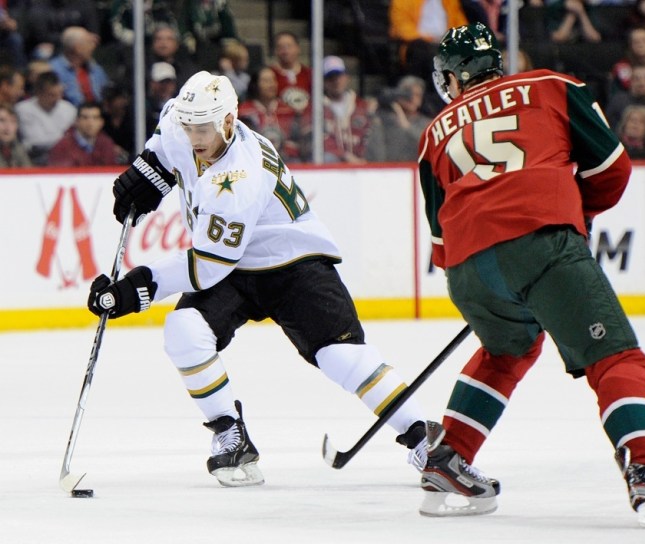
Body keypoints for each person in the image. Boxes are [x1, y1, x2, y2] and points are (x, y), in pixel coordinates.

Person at [416, 22, 645, 526]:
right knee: (615, 353)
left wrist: (493, 274)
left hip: (468, 270)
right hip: (542, 243)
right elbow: (611, 169)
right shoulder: (551, 87)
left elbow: (441, 247)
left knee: (508, 347)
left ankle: (449, 456)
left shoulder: (434, 134)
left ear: (455, 77)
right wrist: (568, 214)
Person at [85, 71, 428, 487]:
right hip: (235, 268)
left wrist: (136, 288)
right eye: (189, 126)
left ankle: (425, 439)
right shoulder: (181, 119)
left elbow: (208, 267)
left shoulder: (238, 179)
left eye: (204, 129)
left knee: (341, 358)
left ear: (229, 121)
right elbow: (163, 148)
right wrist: (147, 175)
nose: (194, 137)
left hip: (293, 264)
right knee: (184, 330)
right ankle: (230, 432)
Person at [14, 71, 77, 165]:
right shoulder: (22, 109)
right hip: (34, 160)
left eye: (60, 94)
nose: (57, 99)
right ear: (39, 93)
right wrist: (63, 141)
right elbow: (34, 142)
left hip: (66, 160)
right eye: (52, 95)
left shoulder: (69, 109)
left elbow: (75, 140)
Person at [320, 55, 373, 164]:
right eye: (330, 78)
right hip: (334, 167)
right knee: (327, 158)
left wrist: (363, 159)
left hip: (362, 164)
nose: (336, 81)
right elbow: (317, 141)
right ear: (324, 82)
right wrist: (344, 156)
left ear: (346, 77)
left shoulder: (362, 106)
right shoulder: (316, 109)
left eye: (339, 76)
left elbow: (371, 135)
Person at [366, 75, 431, 163]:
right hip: (391, 171)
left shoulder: (427, 123)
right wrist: (372, 117)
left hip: (416, 171)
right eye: (407, 94)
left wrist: (407, 126)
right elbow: (376, 152)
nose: (411, 98)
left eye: (417, 95)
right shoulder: (386, 120)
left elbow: (429, 145)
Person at [48, 26, 111, 107]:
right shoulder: (53, 69)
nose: (92, 47)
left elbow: (106, 94)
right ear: (77, 48)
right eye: (89, 43)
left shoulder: (96, 69)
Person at [48, 101, 118, 166]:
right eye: (85, 118)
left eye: (95, 118)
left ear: (101, 122)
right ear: (76, 121)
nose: (90, 123)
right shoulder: (62, 146)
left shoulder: (107, 143)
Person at [269, 31, 311, 114]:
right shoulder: (270, 74)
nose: (285, 51)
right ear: (275, 51)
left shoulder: (309, 74)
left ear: (298, 48)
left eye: (289, 46)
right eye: (281, 47)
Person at [0, 103, 32, 167]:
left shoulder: (18, 147)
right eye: (2, 120)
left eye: (13, 121)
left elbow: (29, 173)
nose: (7, 127)